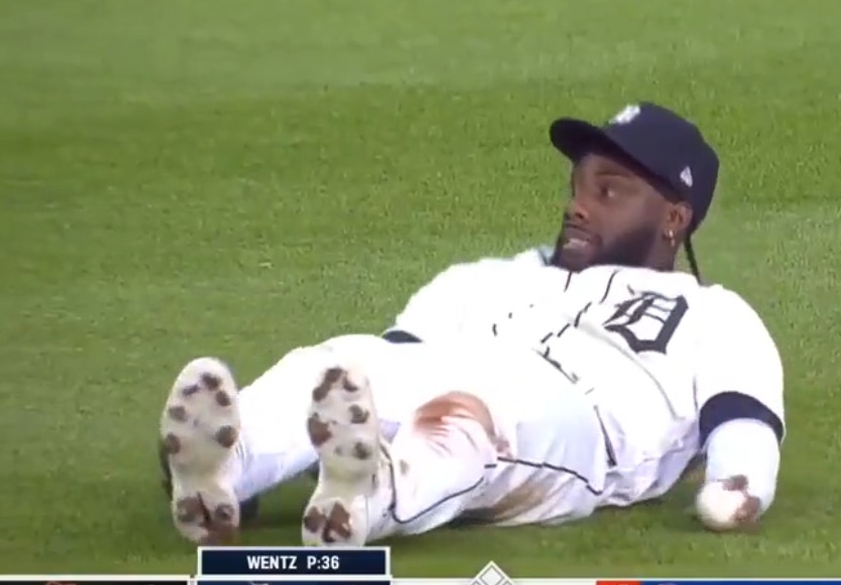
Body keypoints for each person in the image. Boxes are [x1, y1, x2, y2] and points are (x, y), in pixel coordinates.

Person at [158, 102, 785, 545]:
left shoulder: (714, 313)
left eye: (609, 191)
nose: (578, 205)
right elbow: (382, 370)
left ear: (674, 218)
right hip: (469, 374)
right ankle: (225, 469)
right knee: (344, 359)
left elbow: (743, 417)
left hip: (580, 427)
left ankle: (372, 497)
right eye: (577, 186)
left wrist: (737, 486)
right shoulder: (486, 278)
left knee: (469, 414)